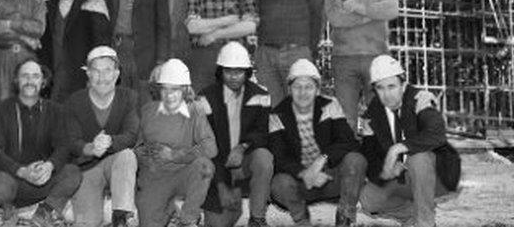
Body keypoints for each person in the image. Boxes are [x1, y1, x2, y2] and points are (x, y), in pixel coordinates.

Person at [358, 55, 460, 227]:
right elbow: (370, 156)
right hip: (403, 180)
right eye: (380, 88)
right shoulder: (374, 111)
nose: (387, 94)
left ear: (403, 85)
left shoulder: (419, 99)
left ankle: (425, 222)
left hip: (436, 176)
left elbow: (436, 133)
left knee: (418, 158)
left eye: (392, 86)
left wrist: (397, 149)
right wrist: (384, 172)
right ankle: (412, 215)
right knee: (368, 199)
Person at [267, 59, 366, 227]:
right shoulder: (277, 115)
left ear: (317, 90)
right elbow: (279, 157)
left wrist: (321, 160)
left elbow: (349, 142)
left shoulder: (330, 106)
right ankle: (301, 218)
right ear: (289, 89)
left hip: (329, 177)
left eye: (309, 87)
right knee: (279, 184)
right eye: (297, 87)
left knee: (356, 160)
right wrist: (305, 173)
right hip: (299, 181)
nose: (303, 92)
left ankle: (345, 216)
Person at [0, 59, 82, 227]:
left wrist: (49, 166)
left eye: (35, 76)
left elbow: (63, 146)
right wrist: (22, 171)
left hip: (44, 179)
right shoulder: (0, 110)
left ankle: (45, 211)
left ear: (43, 82)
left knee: (73, 172)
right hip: (14, 180)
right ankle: (10, 209)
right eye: (25, 76)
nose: (30, 81)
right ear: (16, 80)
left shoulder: (56, 110)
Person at [323, 0, 398, 126]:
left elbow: (391, 9)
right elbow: (337, 18)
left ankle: (385, 156)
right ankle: (352, 156)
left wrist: (358, 8)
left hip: (378, 58)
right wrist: (373, 12)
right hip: (344, 59)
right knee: (346, 119)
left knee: (382, 116)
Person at [196, 41, 273, 227]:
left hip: (244, 162)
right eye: (228, 71)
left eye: (239, 71)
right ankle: (218, 203)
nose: (233, 77)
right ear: (220, 71)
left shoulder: (261, 95)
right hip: (217, 165)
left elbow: (263, 134)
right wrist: (222, 185)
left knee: (264, 157)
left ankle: (257, 218)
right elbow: (205, 145)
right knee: (217, 224)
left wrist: (242, 147)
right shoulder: (205, 98)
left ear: (247, 72)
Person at [64, 46, 140, 227]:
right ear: (88, 74)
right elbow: (72, 142)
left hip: (117, 163)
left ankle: (121, 216)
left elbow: (131, 135)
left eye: (107, 71)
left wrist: (109, 141)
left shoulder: (129, 97)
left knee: (127, 155)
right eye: (96, 71)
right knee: (88, 222)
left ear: (116, 74)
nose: (102, 77)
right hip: (87, 168)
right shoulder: (75, 101)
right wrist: (91, 148)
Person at [135, 58, 216, 227]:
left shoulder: (195, 110)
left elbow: (210, 147)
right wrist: (145, 154)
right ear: (158, 89)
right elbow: (137, 147)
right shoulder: (148, 111)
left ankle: (188, 218)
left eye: (175, 90)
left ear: (185, 90)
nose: (170, 95)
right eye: (165, 89)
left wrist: (174, 155)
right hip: (155, 177)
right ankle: (169, 207)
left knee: (204, 166)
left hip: (183, 173)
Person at [37, 0, 111, 102]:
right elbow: (43, 49)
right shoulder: (48, 7)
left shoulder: (95, 2)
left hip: (83, 85)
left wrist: (95, 78)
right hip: (53, 87)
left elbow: (102, 47)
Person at [185, 0, 258, 92]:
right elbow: (192, 27)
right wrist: (229, 20)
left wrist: (214, 34)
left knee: (232, 108)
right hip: (202, 59)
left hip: (234, 59)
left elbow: (250, 25)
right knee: (202, 106)